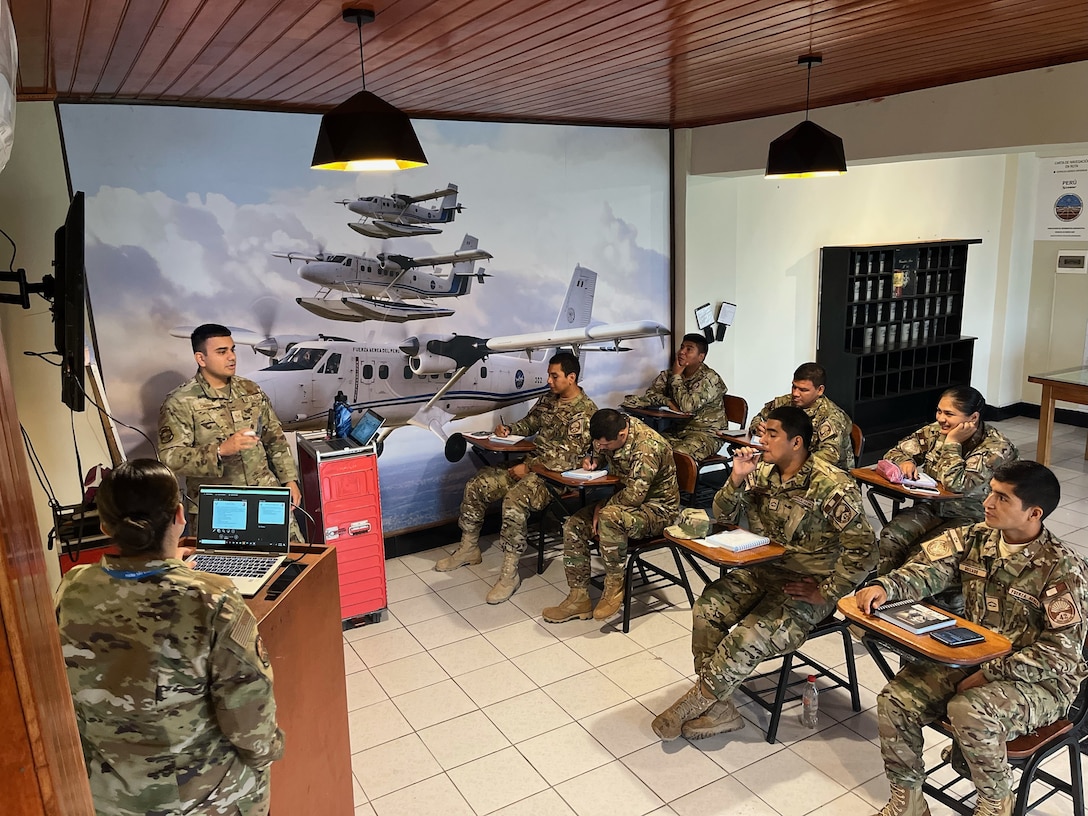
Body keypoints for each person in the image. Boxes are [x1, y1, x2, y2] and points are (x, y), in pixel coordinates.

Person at [855, 461, 1088, 816]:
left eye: (1002, 498)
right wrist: (886, 586)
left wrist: (993, 672)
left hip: (1044, 683)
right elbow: (928, 569)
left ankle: (996, 803)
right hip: (973, 657)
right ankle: (909, 803)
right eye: (990, 492)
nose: (988, 503)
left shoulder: (1062, 568)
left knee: (969, 711)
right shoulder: (976, 536)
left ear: (1034, 513)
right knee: (895, 699)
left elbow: (1061, 653)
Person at [55, 459, 284, 816]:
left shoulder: (72, 588)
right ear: (180, 516)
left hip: (113, 798)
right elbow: (249, 715)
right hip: (206, 799)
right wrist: (267, 756)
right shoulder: (212, 599)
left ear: (104, 524)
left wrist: (168, 564)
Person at [653, 406, 876, 741]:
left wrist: (827, 592)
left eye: (772, 434)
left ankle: (695, 702)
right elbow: (723, 514)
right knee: (706, 610)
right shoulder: (761, 471)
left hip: (805, 587)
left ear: (796, 442)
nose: (762, 439)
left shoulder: (830, 486)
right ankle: (720, 707)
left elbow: (866, 550)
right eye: (763, 432)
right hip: (759, 572)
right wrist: (737, 477)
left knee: (747, 637)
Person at [434, 352, 597, 603]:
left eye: (554, 376)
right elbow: (530, 423)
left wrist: (530, 467)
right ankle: (469, 548)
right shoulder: (548, 399)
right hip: (533, 467)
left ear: (571, 377)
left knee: (514, 501)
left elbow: (568, 459)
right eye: (549, 375)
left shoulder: (585, 412)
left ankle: (509, 574)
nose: (549, 381)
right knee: (479, 483)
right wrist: (509, 429)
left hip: (555, 478)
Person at [158, 324, 302, 539]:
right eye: (221, 352)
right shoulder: (180, 402)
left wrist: (289, 480)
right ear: (201, 358)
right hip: (219, 506)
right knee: (225, 569)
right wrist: (219, 450)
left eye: (232, 349)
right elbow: (170, 457)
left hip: (265, 495)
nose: (232, 357)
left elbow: (275, 438)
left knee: (292, 562)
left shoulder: (250, 390)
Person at [543, 408, 679, 623]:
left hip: (657, 510)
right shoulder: (613, 428)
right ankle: (578, 598)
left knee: (608, 517)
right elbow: (599, 448)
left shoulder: (648, 447)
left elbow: (634, 496)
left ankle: (615, 586)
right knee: (574, 524)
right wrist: (595, 460)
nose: (601, 447)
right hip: (623, 503)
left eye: (606, 445)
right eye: (598, 443)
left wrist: (602, 507)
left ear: (622, 436)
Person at [876, 386, 1018, 577]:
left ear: (973, 418)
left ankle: (933, 602)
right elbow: (894, 452)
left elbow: (956, 484)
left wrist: (952, 443)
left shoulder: (996, 448)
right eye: (939, 411)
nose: (941, 419)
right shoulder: (936, 431)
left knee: (929, 552)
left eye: (949, 414)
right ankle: (884, 592)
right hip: (932, 508)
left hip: (972, 518)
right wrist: (905, 461)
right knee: (892, 536)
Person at [622, 333, 728, 460]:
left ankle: (679, 480)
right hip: (679, 430)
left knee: (677, 455)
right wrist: (667, 402)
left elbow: (687, 406)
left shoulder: (710, 379)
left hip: (706, 434)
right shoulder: (670, 374)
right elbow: (651, 394)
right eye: (682, 347)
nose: (682, 352)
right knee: (647, 444)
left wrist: (677, 376)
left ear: (701, 357)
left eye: (689, 349)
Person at [749, 362, 855, 470]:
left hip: (824, 474)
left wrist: (793, 463)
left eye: (803, 390)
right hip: (786, 467)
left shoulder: (831, 416)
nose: (795, 393)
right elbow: (758, 417)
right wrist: (757, 427)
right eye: (794, 387)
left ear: (820, 390)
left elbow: (830, 455)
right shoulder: (784, 403)